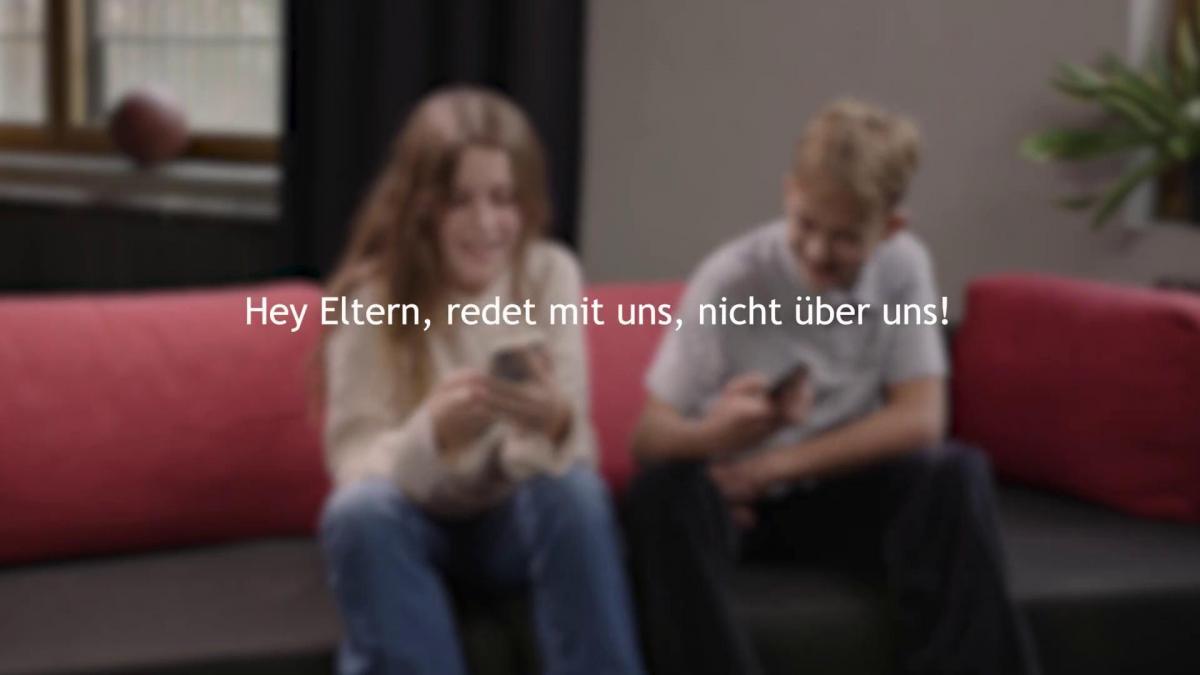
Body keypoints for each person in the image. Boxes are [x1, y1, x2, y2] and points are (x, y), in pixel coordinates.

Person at [624, 99, 1040, 675]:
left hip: (831, 493)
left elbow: (921, 420)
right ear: (789, 193)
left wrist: (770, 468)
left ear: (890, 228)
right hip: (736, 506)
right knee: (662, 495)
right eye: (806, 225)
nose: (818, 252)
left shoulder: (904, 267)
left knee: (956, 473)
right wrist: (718, 436)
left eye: (845, 238)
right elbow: (649, 436)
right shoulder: (731, 279)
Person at [317, 86, 645, 675]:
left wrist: (552, 422)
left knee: (574, 491)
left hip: (515, 521)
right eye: (459, 202)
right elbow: (355, 464)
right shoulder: (372, 300)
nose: (486, 225)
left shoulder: (549, 274)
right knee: (357, 515)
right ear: (423, 206)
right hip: (413, 522)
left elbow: (577, 450)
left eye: (503, 199)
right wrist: (432, 436)